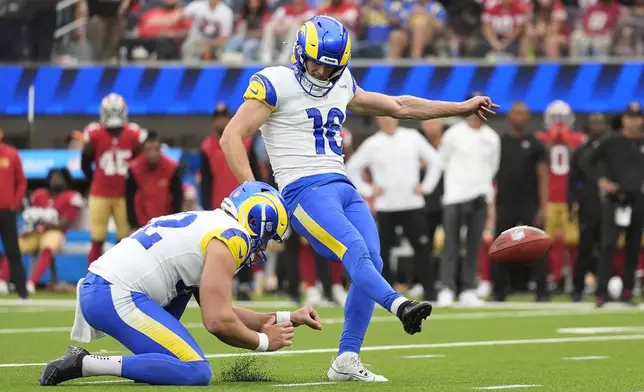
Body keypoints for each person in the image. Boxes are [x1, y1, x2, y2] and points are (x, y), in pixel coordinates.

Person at [219, 15, 499, 381]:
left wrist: (459, 109)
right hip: (302, 190)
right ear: (300, 54)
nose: (321, 72)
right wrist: (254, 192)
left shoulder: (342, 83)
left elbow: (400, 106)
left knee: (372, 260)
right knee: (353, 249)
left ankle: (346, 360)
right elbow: (231, 137)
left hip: (343, 186)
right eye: (316, 63)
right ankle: (400, 306)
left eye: (330, 66)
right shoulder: (276, 81)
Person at [40, 182, 322, 386]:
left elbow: (224, 310)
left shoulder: (210, 223)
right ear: (256, 221)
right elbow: (217, 322)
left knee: (185, 302)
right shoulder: (231, 237)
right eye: (265, 238)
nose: (260, 247)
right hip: (115, 293)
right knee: (196, 371)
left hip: (106, 288)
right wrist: (263, 342)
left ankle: (151, 366)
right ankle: (84, 363)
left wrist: (288, 317)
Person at [347, 116, 441, 299]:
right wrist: (368, 190)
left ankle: (429, 292)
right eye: (382, 117)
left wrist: (426, 187)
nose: (387, 120)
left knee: (422, 248)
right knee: (382, 252)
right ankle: (386, 294)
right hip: (386, 207)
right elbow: (352, 168)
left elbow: (435, 161)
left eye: (390, 116)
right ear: (377, 120)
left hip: (412, 205)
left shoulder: (412, 136)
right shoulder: (373, 143)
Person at [438, 95, 500, 307]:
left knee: (474, 246)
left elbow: (492, 168)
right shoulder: (453, 135)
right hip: (454, 197)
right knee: (451, 244)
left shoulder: (492, 138)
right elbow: (442, 162)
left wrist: (486, 194)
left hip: (479, 197)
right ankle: (447, 287)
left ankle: (468, 288)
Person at [585, 102, 644, 307]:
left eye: (638, 117)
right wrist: (601, 180)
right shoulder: (612, 141)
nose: (634, 121)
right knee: (608, 245)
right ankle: (602, 292)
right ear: (624, 119)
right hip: (615, 199)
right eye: (630, 117)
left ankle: (628, 291)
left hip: (637, 199)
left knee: (634, 246)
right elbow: (587, 161)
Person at [494, 101, 549, 301]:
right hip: (504, 202)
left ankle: (542, 290)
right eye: (516, 113)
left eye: (523, 113)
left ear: (528, 118)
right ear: (509, 116)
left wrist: (543, 206)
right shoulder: (499, 142)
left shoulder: (535, 144)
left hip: (529, 202)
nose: (519, 117)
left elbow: (543, 175)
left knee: (537, 246)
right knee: (500, 246)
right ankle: (498, 290)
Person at [82, 93, 146, 265]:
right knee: (97, 237)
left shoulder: (133, 134)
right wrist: (95, 180)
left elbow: (139, 164)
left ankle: (121, 276)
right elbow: (85, 163)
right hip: (101, 193)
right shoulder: (95, 134)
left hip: (123, 195)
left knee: (124, 238)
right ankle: (92, 278)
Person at [536, 100, 586, 290]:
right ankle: (553, 276)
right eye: (555, 118)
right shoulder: (541, 139)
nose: (558, 122)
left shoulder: (577, 139)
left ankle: (573, 276)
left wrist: (566, 141)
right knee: (548, 242)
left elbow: (582, 161)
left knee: (572, 241)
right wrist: (551, 142)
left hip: (569, 198)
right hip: (548, 198)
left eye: (562, 118)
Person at [20, 168, 84, 294]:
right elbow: (31, 216)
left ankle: (31, 282)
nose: (55, 180)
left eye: (59, 177)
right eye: (53, 177)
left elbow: (64, 223)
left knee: (48, 247)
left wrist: (43, 225)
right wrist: (29, 228)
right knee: (15, 247)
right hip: (36, 232)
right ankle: (2, 281)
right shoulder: (39, 194)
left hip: (56, 232)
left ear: (66, 180)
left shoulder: (71, 196)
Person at [568, 113, 608, 301]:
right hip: (588, 205)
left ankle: (604, 288)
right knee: (584, 249)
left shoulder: (612, 150)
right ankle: (578, 288)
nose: (597, 126)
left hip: (610, 206)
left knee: (606, 248)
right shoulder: (581, 150)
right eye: (594, 123)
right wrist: (572, 204)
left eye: (600, 123)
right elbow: (573, 180)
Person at [125, 131, 183, 231]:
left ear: (161, 150)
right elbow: (129, 198)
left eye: (156, 149)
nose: (152, 154)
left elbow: (177, 197)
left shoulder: (172, 168)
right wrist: (133, 223)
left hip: (166, 223)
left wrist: (175, 221)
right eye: (149, 150)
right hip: (141, 225)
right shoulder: (134, 169)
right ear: (143, 150)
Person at [0, 127, 28, 298]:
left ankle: (22, 292)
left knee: (13, 251)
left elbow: (21, 181)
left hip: (7, 212)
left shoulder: (11, 154)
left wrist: (14, 203)